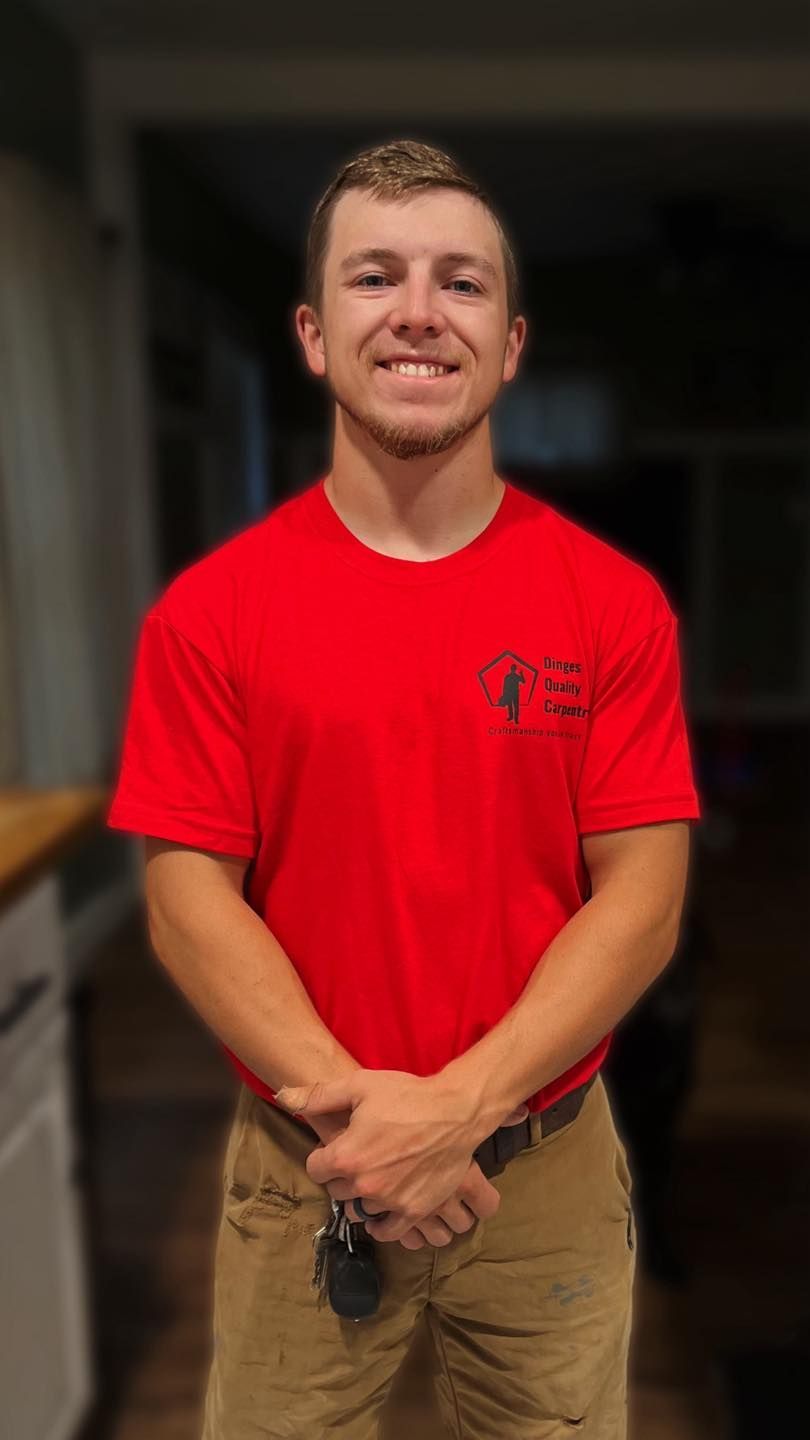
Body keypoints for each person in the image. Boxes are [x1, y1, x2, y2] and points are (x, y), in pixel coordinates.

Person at [107, 138, 702, 1439]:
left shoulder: (611, 607)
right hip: (307, 1169)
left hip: (542, 1171)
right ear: (314, 336)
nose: (420, 312)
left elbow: (643, 900)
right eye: (375, 277)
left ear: (510, 343)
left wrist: (462, 1109)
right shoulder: (210, 616)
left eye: (461, 283)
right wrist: (374, 1131)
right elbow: (188, 902)